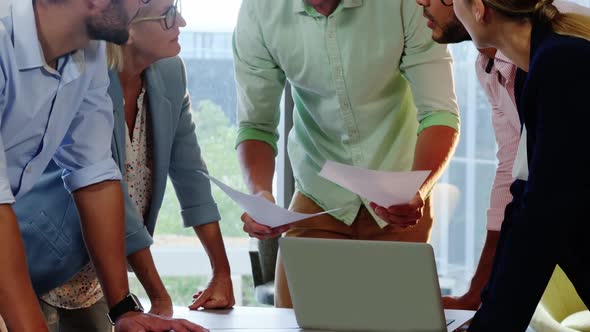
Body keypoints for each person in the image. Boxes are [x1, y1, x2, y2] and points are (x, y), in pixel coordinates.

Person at [10, 0, 235, 330]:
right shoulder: (6, 39)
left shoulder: (88, 56)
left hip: (86, 275)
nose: (182, 22)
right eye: (143, 1)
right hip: (32, 258)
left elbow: (95, 175)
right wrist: (158, 296)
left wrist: (124, 309)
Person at [233, 0, 461, 308]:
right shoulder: (260, 11)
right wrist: (260, 193)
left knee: (399, 323)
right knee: (295, 323)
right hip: (318, 197)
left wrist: (418, 189)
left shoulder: (407, 4)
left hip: (400, 199)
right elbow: (256, 126)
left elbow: (439, 114)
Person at [415, 0, 590, 311]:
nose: (421, 2)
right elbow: (516, 181)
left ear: (479, 8)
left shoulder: (562, 57)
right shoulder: (491, 67)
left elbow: (540, 215)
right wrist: (479, 297)